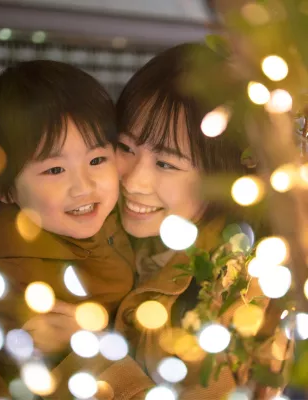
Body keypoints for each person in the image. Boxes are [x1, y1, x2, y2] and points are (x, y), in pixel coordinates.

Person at [33, 43, 288, 400]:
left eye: (166, 164)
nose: (133, 181)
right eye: (126, 148)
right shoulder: (98, 233)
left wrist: (88, 350)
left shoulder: (241, 292)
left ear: (220, 178)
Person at [0, 60, 139, 399]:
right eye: (54, 170)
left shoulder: (120, 216)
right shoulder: (7, 272)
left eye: (97, 160)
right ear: (5, 189)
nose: (84, 187)